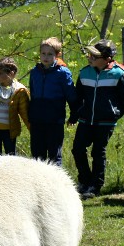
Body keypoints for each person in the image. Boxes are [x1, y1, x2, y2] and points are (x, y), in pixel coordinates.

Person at [68, 39, 124, 199]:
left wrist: (114, 114)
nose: (89, 57)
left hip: (106, 122)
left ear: (106, 58)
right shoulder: (84, 72)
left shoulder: (119, 73)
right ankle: (85, 181)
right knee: (77, 149)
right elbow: (79, 97)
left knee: (98, 152)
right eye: (90, 54)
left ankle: (95, 186)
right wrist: (75, 115)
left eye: (94, 56)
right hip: (85, 120)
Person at [28, 37, 76, 165]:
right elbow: (33, 94)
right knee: (37, 155)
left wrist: (74, 114)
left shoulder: (63, 73)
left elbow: (71, 95)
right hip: (37, 119)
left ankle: (57, 183)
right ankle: (38, 183)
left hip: (54, 120)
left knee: (54, 155)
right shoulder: (34, 72)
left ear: (57, 55)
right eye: (43, 53)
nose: (46, 57)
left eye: (50, 54)